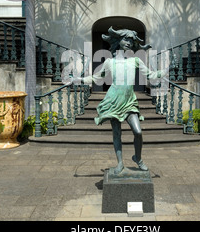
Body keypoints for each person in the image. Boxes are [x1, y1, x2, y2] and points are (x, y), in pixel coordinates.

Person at [71, 27, 167, 174]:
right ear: (118, 41)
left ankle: (138, 158)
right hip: (114, 100)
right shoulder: (110, 62)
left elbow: (150, 75)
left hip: (129, 101)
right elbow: (96, 78)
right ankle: (120, 163)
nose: (128, 42)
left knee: (138, 132)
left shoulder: (135, 60)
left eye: (131, 40)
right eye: (125, 39)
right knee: (117, 134)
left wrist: (165, 71)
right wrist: (79, 79)